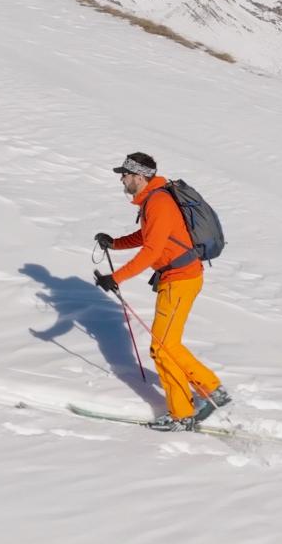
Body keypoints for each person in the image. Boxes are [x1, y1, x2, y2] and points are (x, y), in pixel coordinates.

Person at [94, 152, 232, 431]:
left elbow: (152, 250)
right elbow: (151, 237)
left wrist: (116, 277)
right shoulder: (153, 200)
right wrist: (115, 243)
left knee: (163, 346)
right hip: (178, 278)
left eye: (125, 174)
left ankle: (190, 408)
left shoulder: (158, 202)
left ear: (139, 176)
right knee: (167, 345)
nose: (122, 179)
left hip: (181, 279)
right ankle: (204, 395)